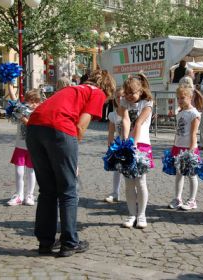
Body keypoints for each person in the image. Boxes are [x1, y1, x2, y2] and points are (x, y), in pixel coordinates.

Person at [26, 70, 115, 257]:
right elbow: (81, 126)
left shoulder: (73, 89)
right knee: (68, 189)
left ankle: (45, 242)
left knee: (47, 190)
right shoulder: (97, 93)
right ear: (107, 88)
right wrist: (72, 160)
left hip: (34, 128)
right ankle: (69, 243)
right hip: (59, 129)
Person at [120, 73, 154, 229]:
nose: (128, 96)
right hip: (128, 144)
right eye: (126, 93)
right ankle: (131, 214)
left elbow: (139, 123)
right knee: (128, 183)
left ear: (140, 91)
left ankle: (142, 215)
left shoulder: (147, 103)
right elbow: (126, 121)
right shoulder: (123, 102)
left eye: (132, 93)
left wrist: (134, 144)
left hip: (142, 144)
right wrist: (126, 142)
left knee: (140, 182)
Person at [168, 86, 203, 210]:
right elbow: (178, 131)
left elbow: (193, 133)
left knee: (191, 174)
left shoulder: (194, 113)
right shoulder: (180, 113)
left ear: (190, 97)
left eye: (182, 98)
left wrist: (192, 150)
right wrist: (174, 145)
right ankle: (177, 198)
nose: (180, 100)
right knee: (179, 174)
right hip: (178, 146)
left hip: (189, 147)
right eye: (178, 98)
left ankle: (192, 200)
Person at [7, 88, 41, 206]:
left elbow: (32, 125)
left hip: (33, 147)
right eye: (30, 101)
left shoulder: (39, 112)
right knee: (19, 172)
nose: (33, 104)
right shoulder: (21, 109)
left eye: (36, 102)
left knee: (31, 172)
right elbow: (13, 99)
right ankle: (19, 195)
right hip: (20, 147)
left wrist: (23, 119)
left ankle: (29, 195)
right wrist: (9, 83)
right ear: (26, 101)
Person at [104, 88, 124, 203]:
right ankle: (115, 193)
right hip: (117, 144)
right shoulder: (112, 115)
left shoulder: (130, 111)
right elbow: (111, 132)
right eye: (117, 97)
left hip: (128, 143)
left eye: (122, 96)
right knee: (117, 169)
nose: (120, 99)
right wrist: (110, 145)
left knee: (128, 169)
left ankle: (133, 193)